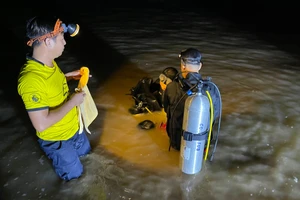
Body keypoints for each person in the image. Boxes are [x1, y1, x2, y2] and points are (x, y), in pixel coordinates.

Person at [17, 16, 91, 181]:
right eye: (61, 38)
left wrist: (68, 77)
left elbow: (49, 87)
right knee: (76, 181)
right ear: (48, 42)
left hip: (74, 130)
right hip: (58, 141)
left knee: (90, 162)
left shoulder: (48, 62)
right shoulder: (31, 80)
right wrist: (73, 101)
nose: (64, 43)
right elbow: (41, 124)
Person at [163, 48, 221, 151]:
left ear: (183, 66)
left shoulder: (172, 87)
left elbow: (166, 109)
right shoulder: (211, 89)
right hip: (201, 143)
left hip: (177, 143)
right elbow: (215, 114)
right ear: (200, 66)